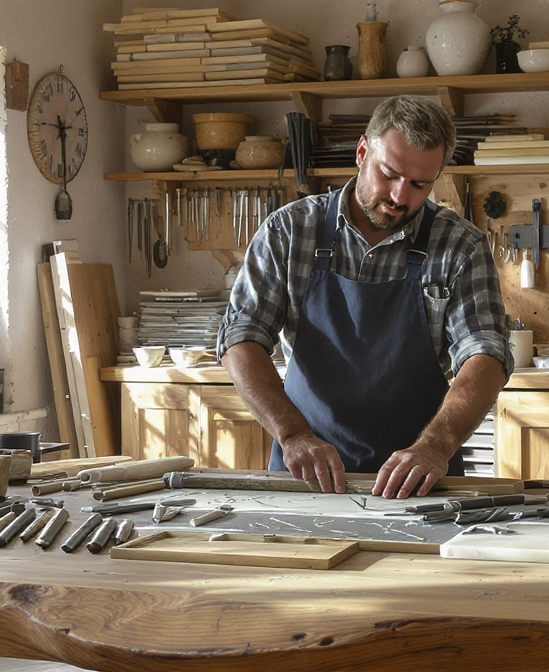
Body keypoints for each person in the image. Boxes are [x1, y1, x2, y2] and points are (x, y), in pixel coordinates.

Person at [216, 95, 511, 500]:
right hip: (307, 472)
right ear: (361, 152)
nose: (399, 196)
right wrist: (293, 434)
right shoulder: (289, 231)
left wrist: (436, 445)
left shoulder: (461, 247)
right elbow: (240, 338)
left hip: (418, 481)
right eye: (388, 174)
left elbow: (486, 355)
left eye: (419, 184)